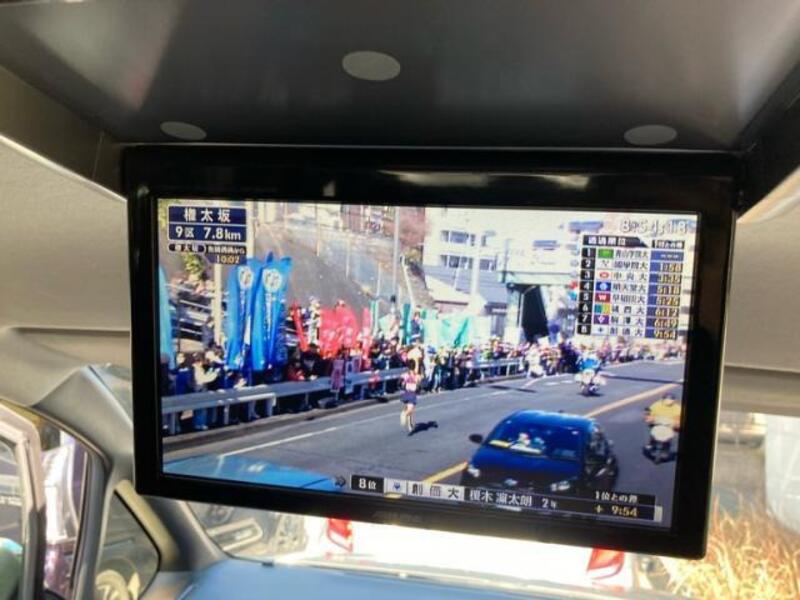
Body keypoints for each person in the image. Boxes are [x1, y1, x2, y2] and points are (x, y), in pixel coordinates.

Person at [400, 366, 420, 434]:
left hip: (406, 393)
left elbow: (400, 379)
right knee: (410, 410)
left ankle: (409, 425)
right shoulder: (416, 376)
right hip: (412, 394)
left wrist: (403, 382)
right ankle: (404, 414)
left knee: (409, 409)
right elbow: (418, 384)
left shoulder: (405, 375)